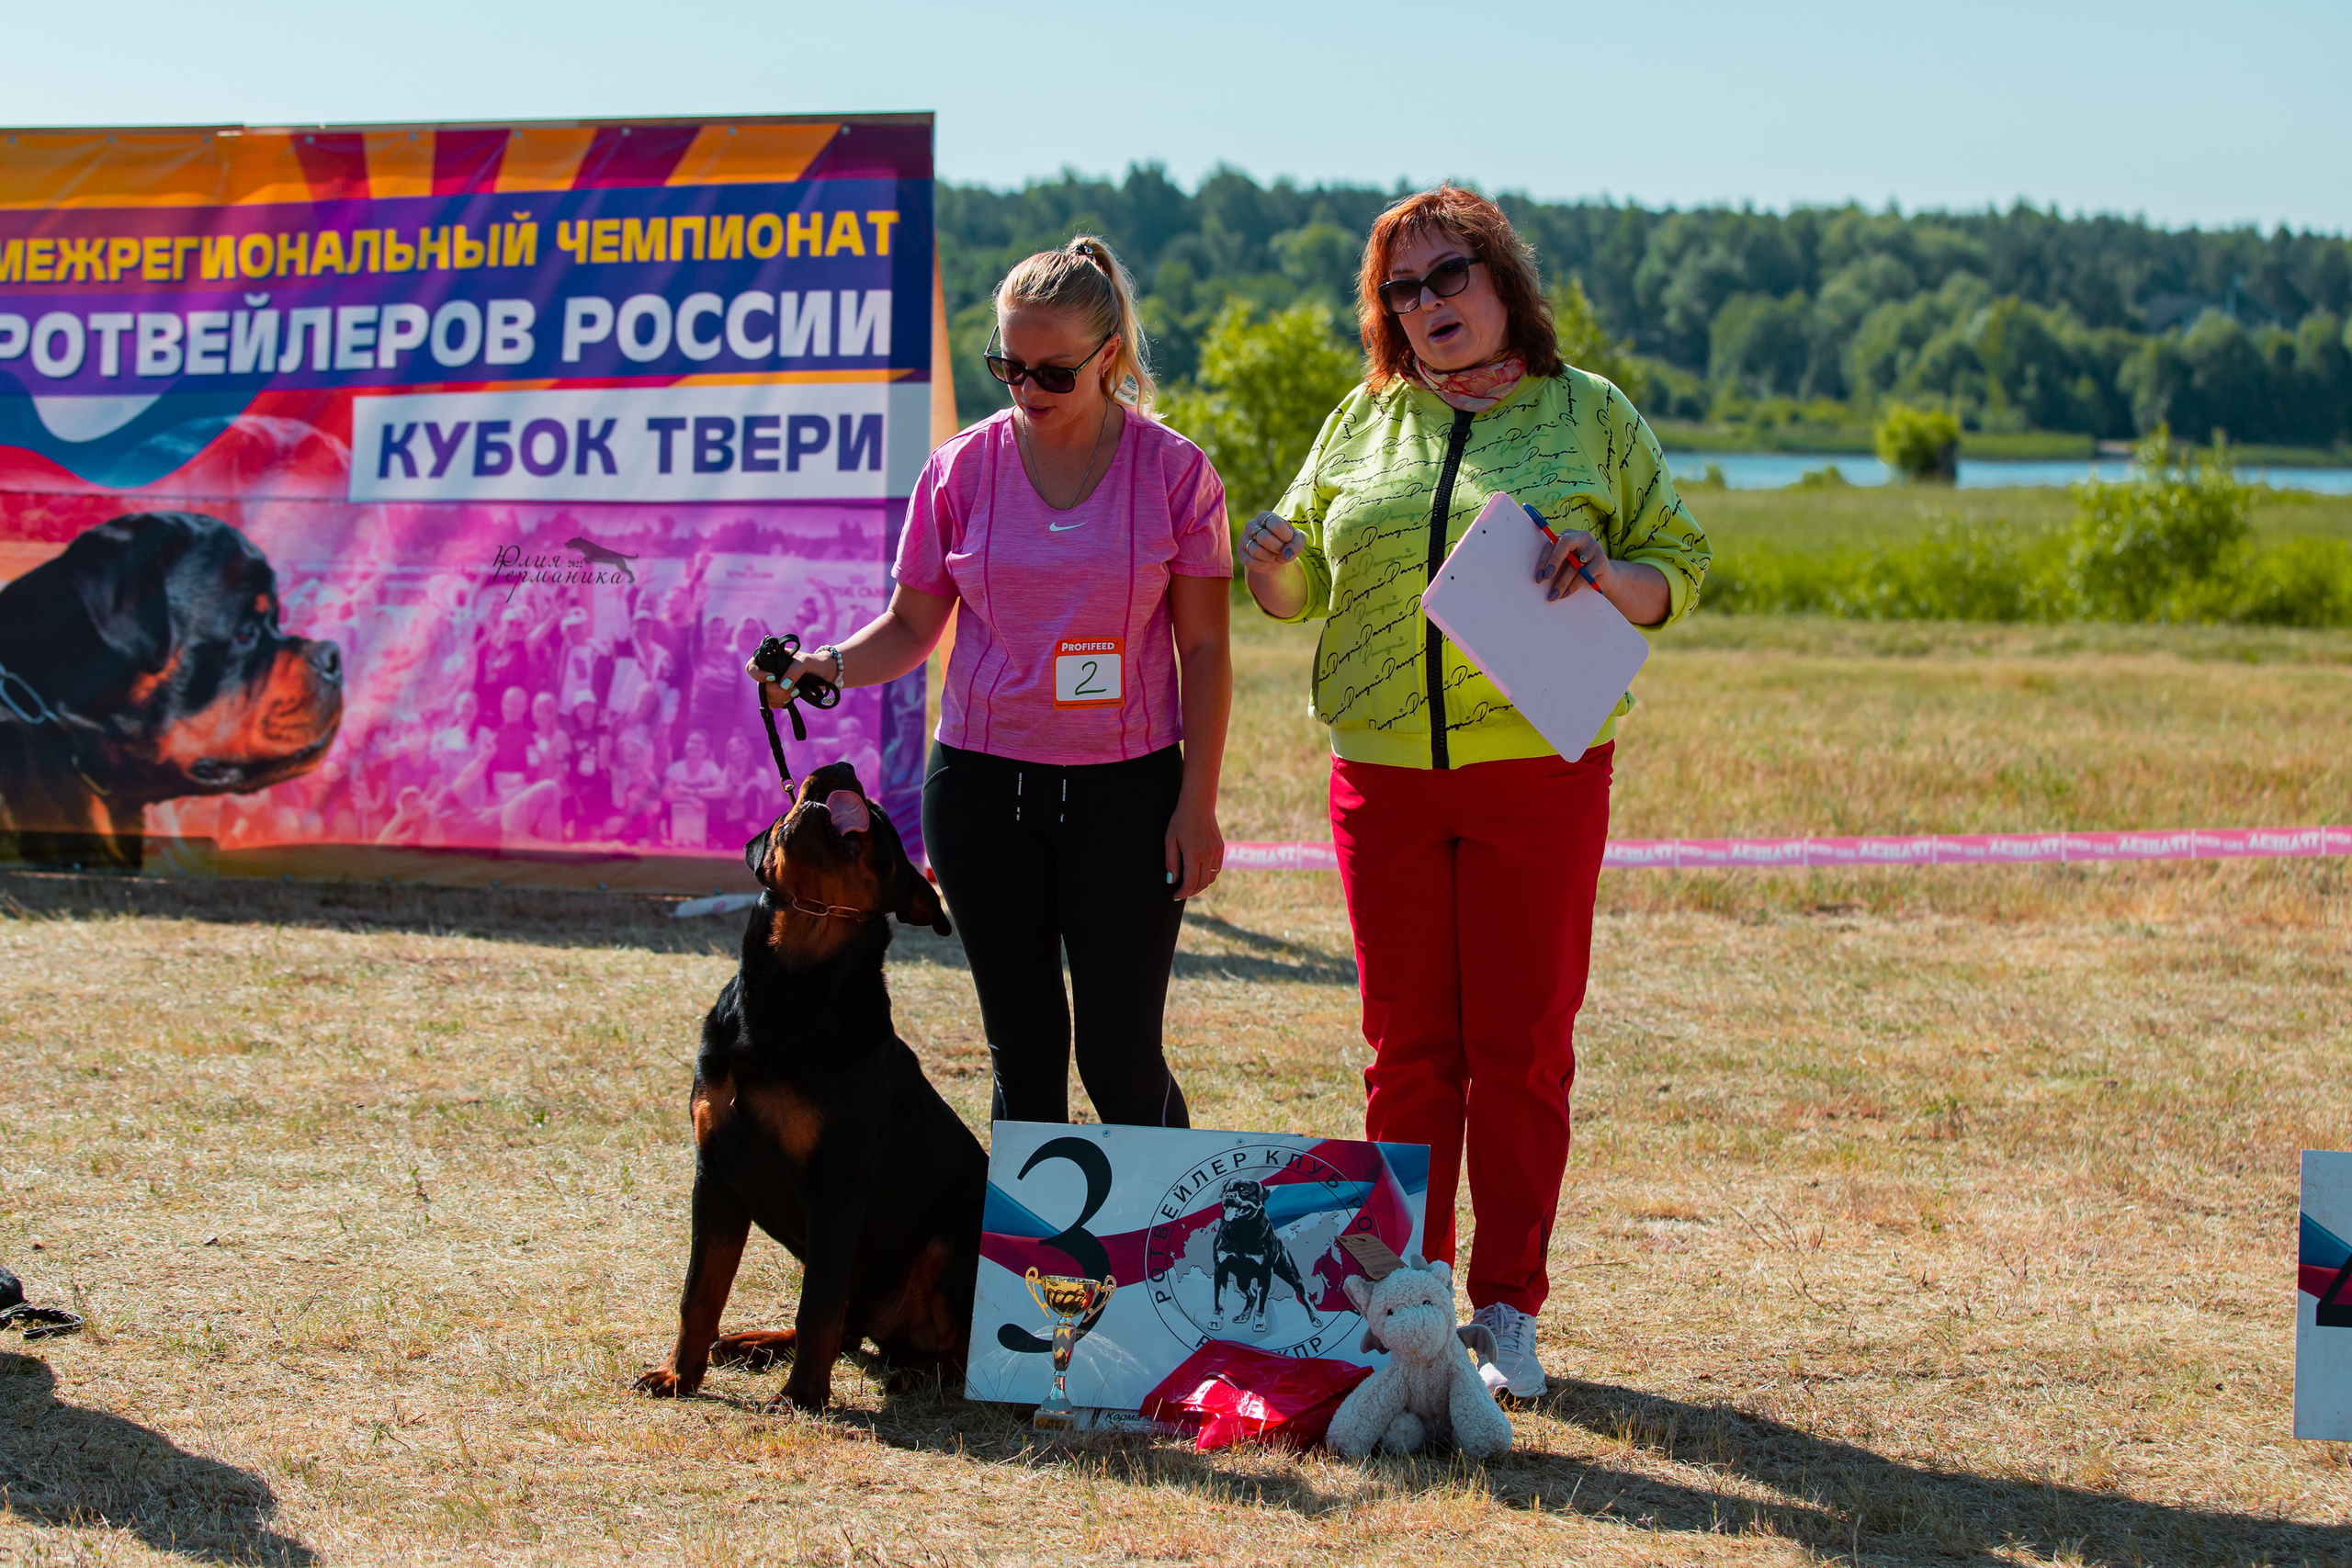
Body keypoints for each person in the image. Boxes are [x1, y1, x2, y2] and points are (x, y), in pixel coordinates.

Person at [1238, 185, 1711, 1398]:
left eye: (1451, 277)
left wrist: (1612, 576)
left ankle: (1507, 1308)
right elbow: (1296, 594)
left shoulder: (1587, 412)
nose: (1429, 304)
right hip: (1381, 778)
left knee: (1520, 1047)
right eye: (1404, 288)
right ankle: (1407, 1302)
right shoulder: (1362, 419)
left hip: (1539, 774)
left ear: (1506, 283)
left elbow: (1682, 566)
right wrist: (1274, 566)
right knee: (1406, 1052)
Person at [752, 234, 1232, 1129]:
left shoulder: (1173, 472)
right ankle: (1040, 1271)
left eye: (1053, 373)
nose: (1026, 391)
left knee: (1121, 1060)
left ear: (1109, 358)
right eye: (1008, 367)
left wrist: (1194, 803)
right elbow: (909, 627)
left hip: (1128, 795)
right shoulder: (960, 469)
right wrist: (827, 668)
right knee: (1026, 1058)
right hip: (981, 794)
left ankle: (1168, 1254)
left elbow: (1204, 651)